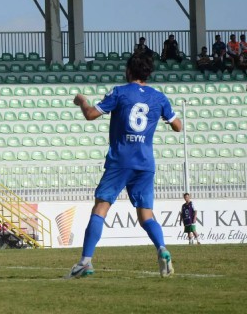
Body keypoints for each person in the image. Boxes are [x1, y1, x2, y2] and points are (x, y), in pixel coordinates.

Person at [66, 52, 182, 279]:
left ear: (129, 71)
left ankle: (85, 262)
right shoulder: (159, 97)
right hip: (145, 163)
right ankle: (162, 248)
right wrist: (164, 117)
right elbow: (178, 126)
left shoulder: (119, 92)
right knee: (146, 215)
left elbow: (90, 115)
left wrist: (82, 101)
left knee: (101, 207)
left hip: (121, 160)